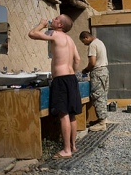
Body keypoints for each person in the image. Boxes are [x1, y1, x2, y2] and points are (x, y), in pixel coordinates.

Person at [28, 14, 82, 159]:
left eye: (57, 18)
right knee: (71, 114)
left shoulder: (55, 34)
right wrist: (72, 71)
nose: (54, 19)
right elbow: (77, 59)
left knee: (63, 113)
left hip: (61, 79)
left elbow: (32, 34)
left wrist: (41, 24)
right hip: (71, 78)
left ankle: (66, 150)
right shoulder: (70, 40)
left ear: (60, 25)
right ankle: (73, 146)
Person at [79, 31, 109, 131]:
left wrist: (85, 70)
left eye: (84, 41)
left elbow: (92, 62)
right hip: (104, 71)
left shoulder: (92, 45)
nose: (84, 44)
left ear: (86, 37)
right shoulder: (100, 42)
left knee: (97, 96)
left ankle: (102, 123)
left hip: (97, 72)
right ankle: (103, 119)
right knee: (103, 95)